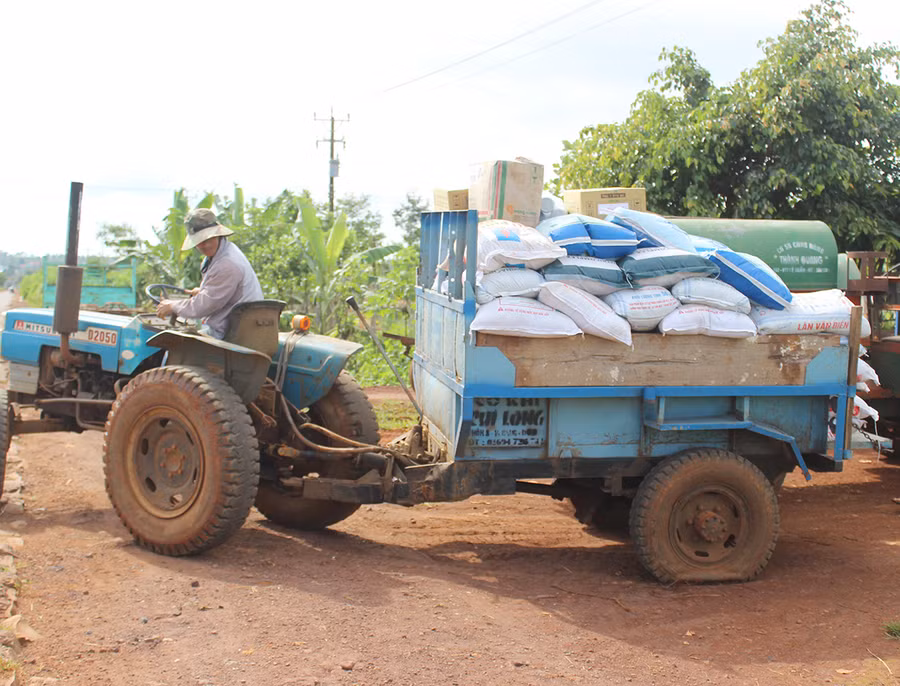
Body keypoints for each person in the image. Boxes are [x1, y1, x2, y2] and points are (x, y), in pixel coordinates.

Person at [156, 208, 263, 339]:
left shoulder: (227, 263)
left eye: (208, 239)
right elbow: (220, 291)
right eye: (198, 241)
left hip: (233, 333)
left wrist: (173, 306)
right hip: (234, 325)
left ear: (217, 234)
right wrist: (202, 291)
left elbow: (205, 305)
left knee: (173, 344)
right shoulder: (222, 253)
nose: (204, 245)